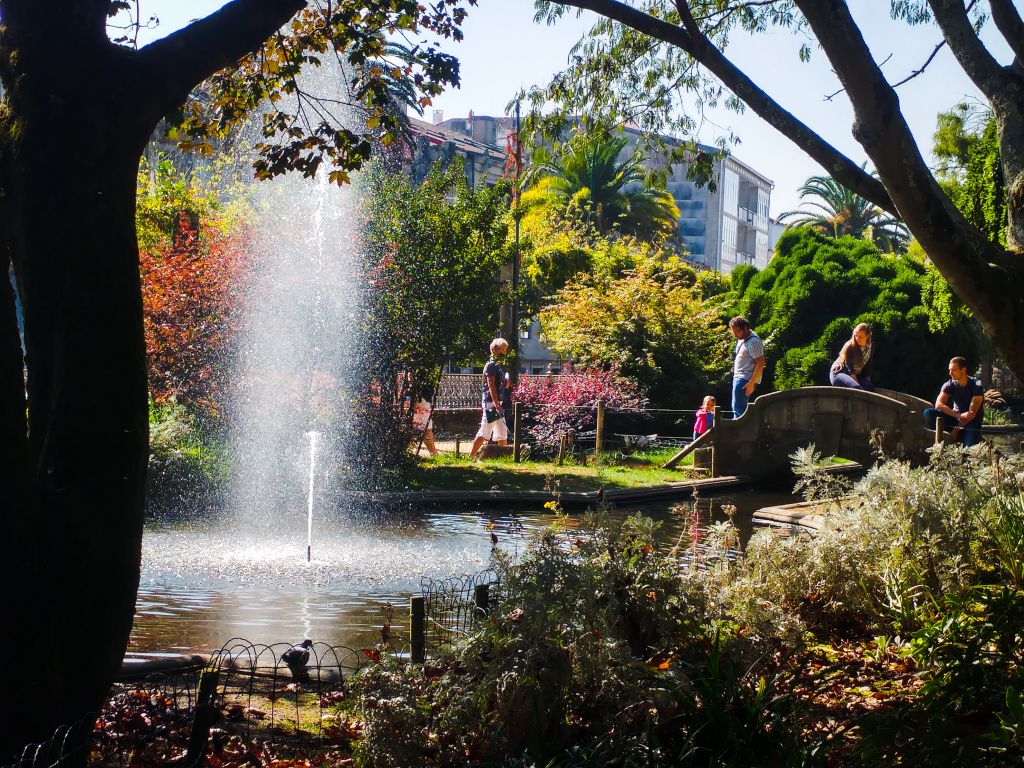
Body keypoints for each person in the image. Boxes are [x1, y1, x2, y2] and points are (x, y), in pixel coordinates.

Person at [922, 356, 985, 447]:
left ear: (963, 370)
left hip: (971, 422)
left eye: (953, 370)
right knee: (928, 413)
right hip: (956, 418)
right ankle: (946, 437)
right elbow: (938, 405)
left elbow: (971, 414)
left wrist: (956, 429)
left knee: (968, 450)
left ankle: (965, 437)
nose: (950, 373)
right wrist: (958, 415)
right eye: (949, 370)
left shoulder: (977, 385)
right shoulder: (949, 385)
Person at [469, 338, 510, 460]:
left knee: (502, 433)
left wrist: (506, 383)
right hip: (491, 403)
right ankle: (471, 458)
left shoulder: (499, 365)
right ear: (495, 350)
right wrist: (496, 404)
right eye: (503, 349)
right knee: (485, 432)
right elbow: (491, 385)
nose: (505, 352)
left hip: (497, 402)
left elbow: (499, 385)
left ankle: (503, 459)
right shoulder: (491, 365)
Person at [728, 316, 765, 418]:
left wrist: (751, 383)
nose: (735, 335)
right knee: (737, 408)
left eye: (738, 332)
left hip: (745, 379)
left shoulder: (753, 341)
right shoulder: (743, 338)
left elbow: (761, 363)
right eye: (733, 332)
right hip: (739, 377)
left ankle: (741, 428)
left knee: (739, 409)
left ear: (745, 328)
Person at [830, 322, 875, 391]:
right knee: (856, 388)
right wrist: (861, 389)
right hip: (840, 373)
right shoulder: (850, 346)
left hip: (856, 374)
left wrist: (867, 384)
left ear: (868, 336)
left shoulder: (871, 346)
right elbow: (849, 369)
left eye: (860, 337)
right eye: (856, 335)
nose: (857, 338)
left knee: (870, 387)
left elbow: (868, 365)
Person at [412, 387, 438, 456]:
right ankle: (434, 453)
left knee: (427, 433)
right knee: (412, 433)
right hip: (419, 408)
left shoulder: (421, 389)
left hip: (422, 407)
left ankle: (434, 453)